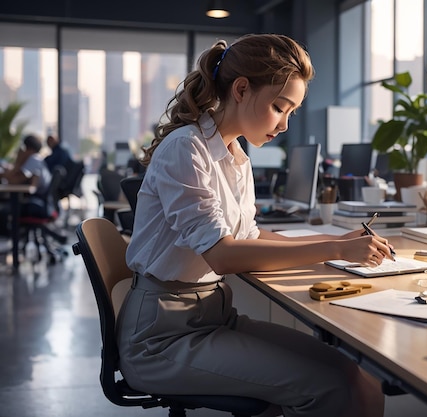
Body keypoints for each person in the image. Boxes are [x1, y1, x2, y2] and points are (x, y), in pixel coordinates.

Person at [118, 34, 389, 417]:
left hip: (213, 317)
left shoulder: (235, 154)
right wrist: (336, 250)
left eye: (291, 113)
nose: (284, 125)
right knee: (332, 386)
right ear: (242, 89)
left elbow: (250, 236)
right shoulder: (186, 148)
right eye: (280, 107)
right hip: (163, 338)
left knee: (358, 374)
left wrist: (337, 239)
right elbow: (224, 255)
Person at [0, 134, 53, 234]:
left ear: (28, 148)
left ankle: (13, 241)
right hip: (42, 202)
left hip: (38, 204)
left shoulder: (33, 159)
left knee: (4, 210)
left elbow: (13, 181)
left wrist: (18, 162)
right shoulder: (36, 159)